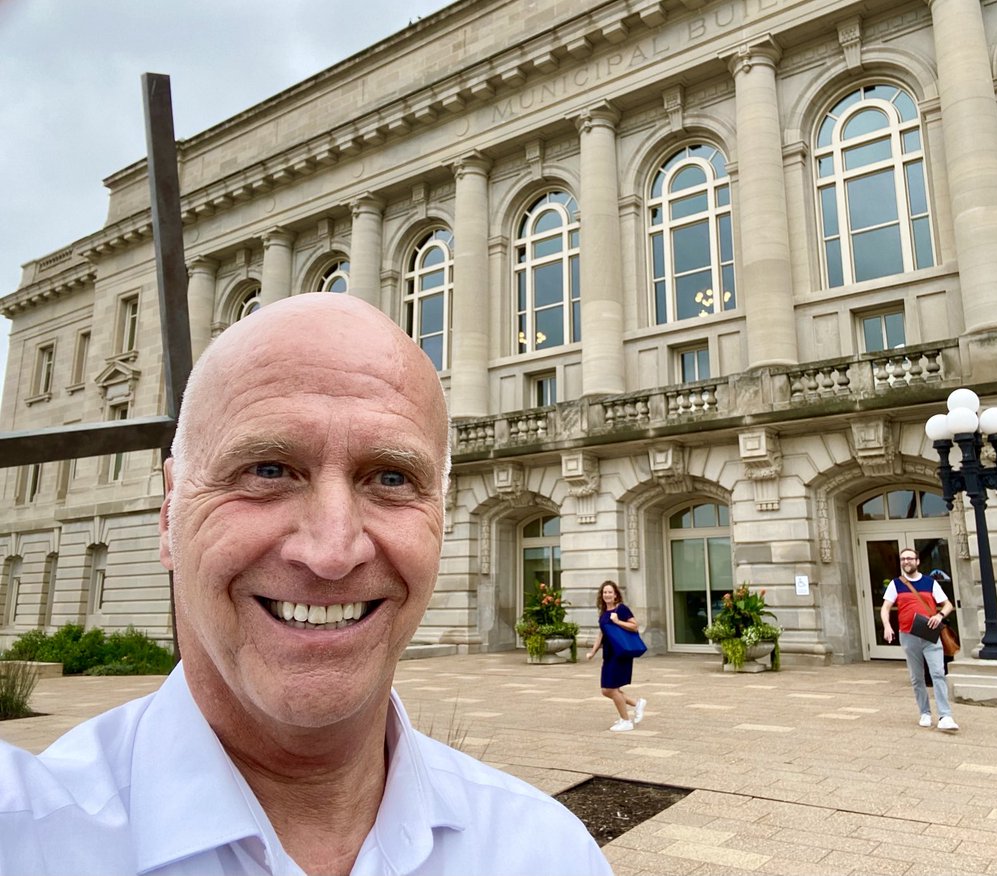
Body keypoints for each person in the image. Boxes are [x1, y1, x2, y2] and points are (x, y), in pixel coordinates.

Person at [0, 295, 611, 875]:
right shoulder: (27, 836)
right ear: (168, 515)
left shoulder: (550, 853)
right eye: (268, 470)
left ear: (441, 520)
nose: (333, 551)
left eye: (392, 478)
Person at [880, 548, 959, 733]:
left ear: (917, 561)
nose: (906, 562)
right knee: (917, 677)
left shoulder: (930, 582)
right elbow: (885, 608)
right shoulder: (896, 584)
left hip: (930, 635)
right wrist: (887, 625)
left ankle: (945, 716)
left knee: (938, 673)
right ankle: (924, 712)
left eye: (909, 558)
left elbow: (948, 605)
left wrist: (939, 616)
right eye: (903, 559)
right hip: (908, 635)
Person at [585, 581, 646, 732]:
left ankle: (626, 721)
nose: (607, 595)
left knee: (611, 689)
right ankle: (637, 704)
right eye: (605, 592)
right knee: (606, 690)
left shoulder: (621, 609)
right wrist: (593, 652)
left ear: (616, 594)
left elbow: (634, 626)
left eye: (610, 592)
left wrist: (618, 621)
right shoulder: (604, 612)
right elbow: (601, 634)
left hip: (620, 653)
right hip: (609, 654)